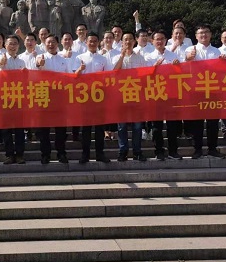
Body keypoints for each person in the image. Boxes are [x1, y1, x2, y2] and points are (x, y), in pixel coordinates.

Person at [185, 25, 226, 159]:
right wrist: (188, 59)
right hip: (196, 91)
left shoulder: (217, 51)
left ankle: (212, 149)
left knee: (213, 122)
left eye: (206, 32)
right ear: (196, 36)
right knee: (197, 122)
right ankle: (197, 149)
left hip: (213, 90)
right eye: (200, 33)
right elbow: (183, 69)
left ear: (210, 35)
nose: (203, 35)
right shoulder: (190, 50)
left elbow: (222, 71)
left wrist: (224, 62)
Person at [75, 32, 113, 164]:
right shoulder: (79, 57)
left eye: (95, 41)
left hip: (99, 97)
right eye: (90, 41)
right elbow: (74, 77)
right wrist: (80, 69)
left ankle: (100, 154)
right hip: (85, 97)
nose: (92, 43)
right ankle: (85, 154)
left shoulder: (103, 59)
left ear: (98, 42)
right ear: (86, 42)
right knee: (86, 128)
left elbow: (108, 76)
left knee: (99, 128)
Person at [144, 31, 182, 161]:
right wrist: (154, 67)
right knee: (157, 126)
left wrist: (177, 67)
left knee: (172, 125)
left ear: (166, 40)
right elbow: (146, 76)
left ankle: (173, 151)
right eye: (157, 39)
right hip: (156, 94)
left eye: (162, 39)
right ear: (152, 41)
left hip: (171, 94)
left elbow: (181, 74)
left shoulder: (173, 55)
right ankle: (159, 150)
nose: (159, 41)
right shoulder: (148, 57)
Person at [35, 34, 71, 164]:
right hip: (44, 95)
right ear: (45, 44)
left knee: (60, 128)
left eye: (53, 42)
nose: (51, 45)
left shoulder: (63, 59)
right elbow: (36, 70)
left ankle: (61, 153)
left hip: (59, 96)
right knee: (44, 128)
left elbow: (69, 77)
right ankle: (45, 154)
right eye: (48, 42)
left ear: (57, 44)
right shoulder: (40, 57)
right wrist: (39, 65)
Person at [112, 32, 148, 162]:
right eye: (125, 40)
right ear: (122, 42)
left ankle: (137, 151)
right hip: (121, 96)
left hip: (136, 96)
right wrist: (122, 56)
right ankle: (123, 151)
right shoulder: (116, 57)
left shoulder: (140, 58)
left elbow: (144, 77)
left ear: (134, 41)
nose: (128, 42)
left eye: (130, 39)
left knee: (137, 126)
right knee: (121, 126)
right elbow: (114, 72)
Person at [0, 35, 27, 164]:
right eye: (10, 44)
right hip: (5, 97)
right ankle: (9, 154)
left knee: (19, 128)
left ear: (18, 46)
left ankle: (19, 154)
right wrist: (3, 62)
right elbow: (0, 64)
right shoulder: (0, 57)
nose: (13, 46)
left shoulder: (22, 62)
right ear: (5, 45)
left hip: (18, 97)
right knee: (6, 128)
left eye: (15, 43)